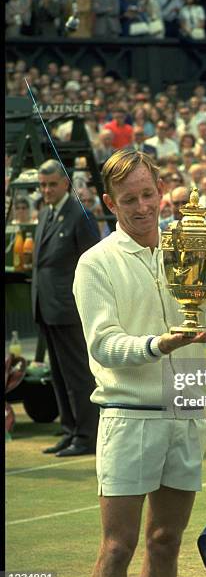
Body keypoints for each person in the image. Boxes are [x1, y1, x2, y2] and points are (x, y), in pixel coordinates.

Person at [72, 150, 206, 577]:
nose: (142, 207)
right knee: (117, 547)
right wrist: (158, 345)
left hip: (187, 413)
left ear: (162, 191)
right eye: (129, 200)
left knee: (166, 540)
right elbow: (104, 345)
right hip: (129, 416)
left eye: (148, 194)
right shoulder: (95, 263)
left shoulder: (189, 247)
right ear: (110, 204)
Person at [32, 159, 101, 456]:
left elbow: (92, 263)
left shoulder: (79, 214)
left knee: (77, 375)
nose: (46, 190)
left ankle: (87, 435)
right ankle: (70, 429)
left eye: (52, 184)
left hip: (69, 307)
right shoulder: (46, 212)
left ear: (65, 183)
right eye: (43, 185)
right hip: (46, 304)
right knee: (58, 375)